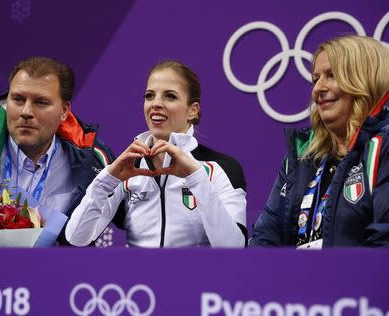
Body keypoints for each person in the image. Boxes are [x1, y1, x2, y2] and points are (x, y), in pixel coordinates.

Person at [66, 60, 247, 247]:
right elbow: (77, 238)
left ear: (193, 111)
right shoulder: (128, 168)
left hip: (197, 276)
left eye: (170, 96)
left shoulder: (219, 168)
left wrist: (197, 178)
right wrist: (106, 180)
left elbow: (233, 247)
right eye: (149, 96)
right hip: (137, 277)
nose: (156, 104)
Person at [0, 56, 114, 246]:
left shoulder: (96, 164)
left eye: (41, 102)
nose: (26, 111)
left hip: (60, 275)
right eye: (18, 99)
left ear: (64, 110)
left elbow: (140, 218)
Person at [250, 35, 389, 248]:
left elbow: (384, 240)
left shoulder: (383, 146)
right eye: (316, 79)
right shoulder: (302, 155)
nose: (318, 89)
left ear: (365, 78)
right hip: (295, 281)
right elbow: (266, 238)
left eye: (332, 76)